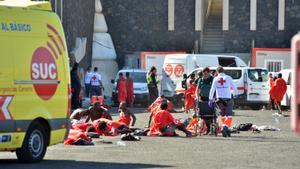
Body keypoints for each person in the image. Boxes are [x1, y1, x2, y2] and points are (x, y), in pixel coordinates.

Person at [209, 66, 238, 137]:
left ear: (217, 72)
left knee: (223, 114)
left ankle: (225, 127)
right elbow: (234, 87)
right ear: (223, 71)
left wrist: (210, 99)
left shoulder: (215, 79)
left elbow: (212, 89)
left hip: (219, 100)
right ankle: (225, 126)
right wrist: (235, 94)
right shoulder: (228, 78)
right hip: (228, 99)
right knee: (229, 115)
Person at [196, 67, 214, 134]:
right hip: (202, 98)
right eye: (204, 73)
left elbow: (215, 89)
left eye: (206, 73)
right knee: (203, 114)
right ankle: (207, 128)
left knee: (211, 113)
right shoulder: (200, 80)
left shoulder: (212, 79)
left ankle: (211, 128)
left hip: (210, 99)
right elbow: (197, 89)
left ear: (209, 73)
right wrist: (196, 96)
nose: (205, 75)